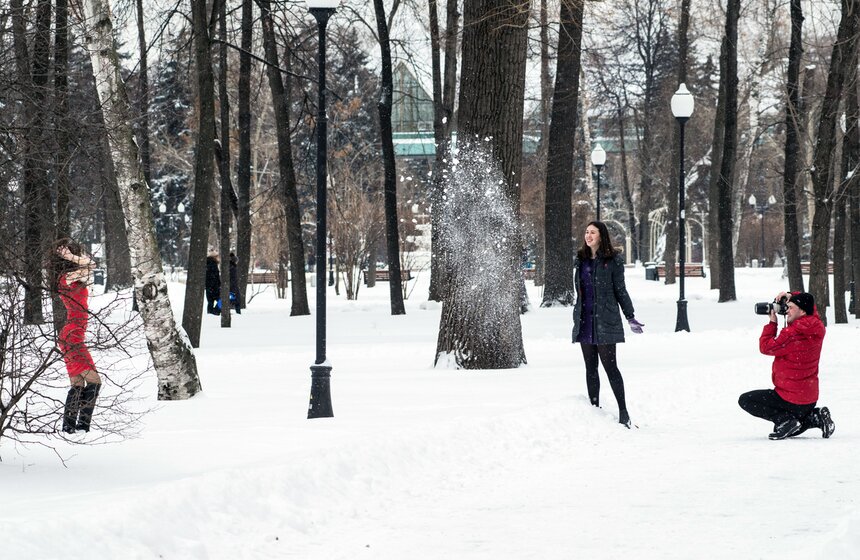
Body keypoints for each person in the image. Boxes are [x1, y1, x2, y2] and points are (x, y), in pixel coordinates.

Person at [572, 221, 645, 428]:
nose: (588, 236)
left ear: (601, 236)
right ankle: (594, 410)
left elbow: (620, 290)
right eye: (586, 232)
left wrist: (629, 316)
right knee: (590, 368)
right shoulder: (581, 260)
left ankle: (624, 412)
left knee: (610, 367)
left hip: (606, 320)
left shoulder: (612, 261)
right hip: (585, 319)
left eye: (592, 232)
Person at [738, 291, 835, 440]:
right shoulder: (817, 326)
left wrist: (772, 323)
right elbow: (810, 303)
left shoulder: (792, 334)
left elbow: (766, 347)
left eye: (790, 307)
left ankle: (786, 420)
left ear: (802, 311)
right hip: (809, 398)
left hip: (789, 399)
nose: (787, 310)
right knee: (793, 429)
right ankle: (815, 416)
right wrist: (791, 295)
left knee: (746, 400)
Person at [51, 239, 102, 434]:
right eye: (75, 253)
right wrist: (70, 256)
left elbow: (89, 266)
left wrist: (71, 256)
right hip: (72, 337)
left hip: (71, 335)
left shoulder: (71, 278)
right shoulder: (67, 277)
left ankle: (70, 427)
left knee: (78, 383)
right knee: (95, 381)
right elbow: (92, 264)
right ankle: (82, 426)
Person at [205, 250, 221, 315]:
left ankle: (210, 313)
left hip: (209, 286)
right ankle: (215, 311)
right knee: (221, 301)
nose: (218, 257)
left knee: (210, 302)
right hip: (214, 287)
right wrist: (218, 284)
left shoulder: (207, 263)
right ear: (214, 257)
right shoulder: (213, 264)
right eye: (217, 256)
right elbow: (215, 276)